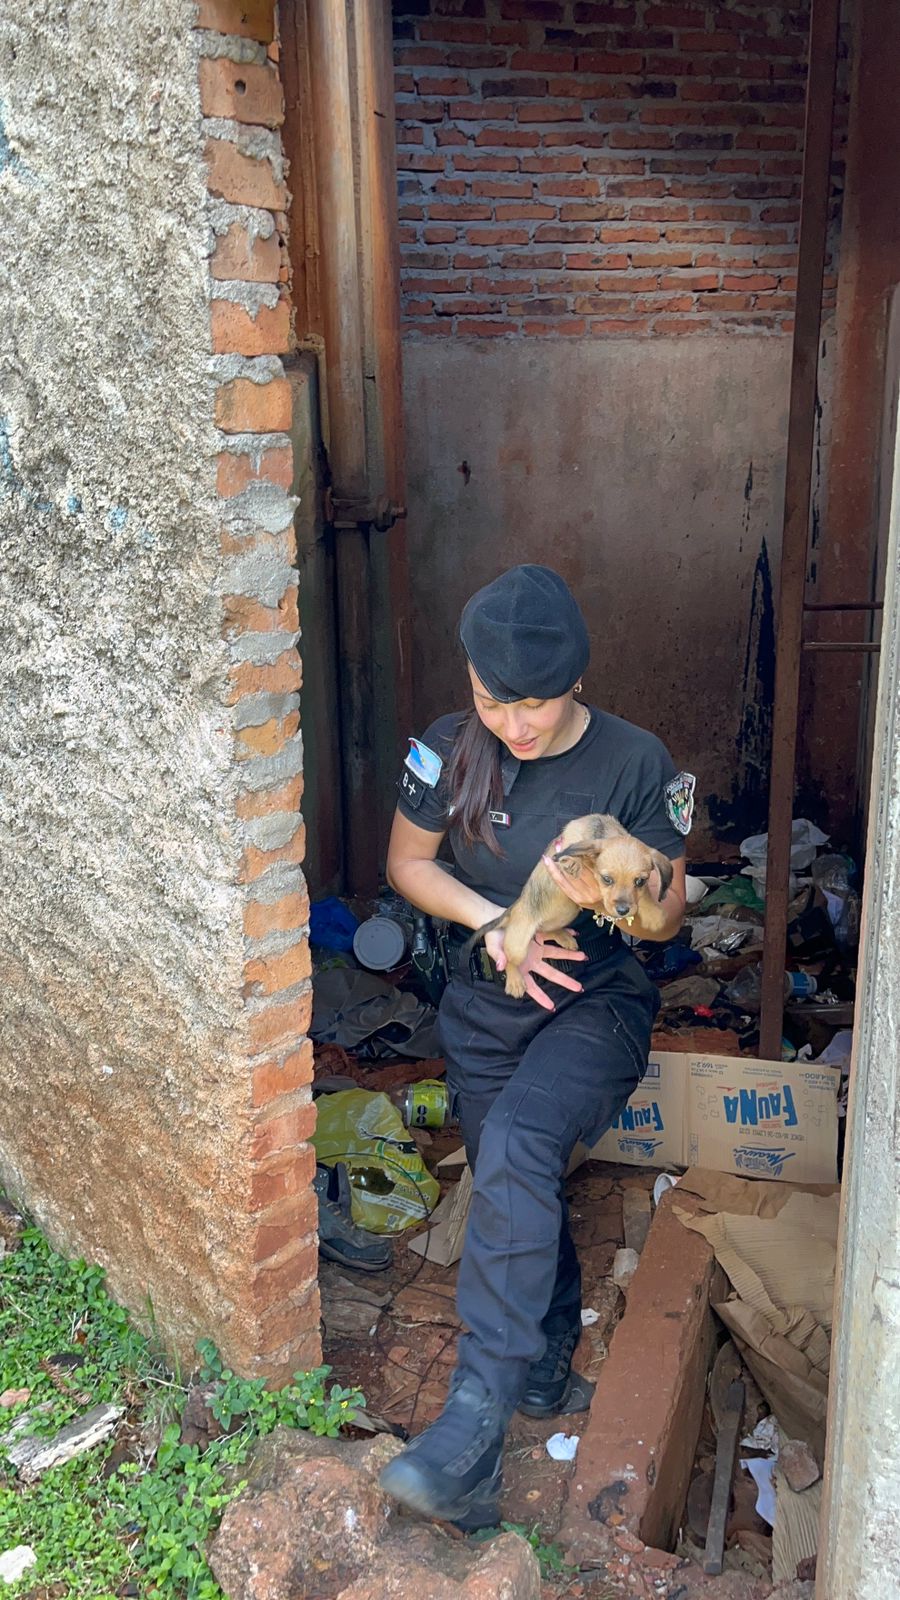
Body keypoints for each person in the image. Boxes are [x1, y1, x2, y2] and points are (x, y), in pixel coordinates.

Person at [379, 565, 693, 1530]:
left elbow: (672, 915)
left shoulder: (640, 765)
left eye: (539, 703)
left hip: (595, 1005)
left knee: (515, 1144)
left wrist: (615, 879)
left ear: (579, 680)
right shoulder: (446, 751)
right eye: (494, 700)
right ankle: (553, 1333)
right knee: (515, 1170)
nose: (517, 725)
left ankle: (471, 1428)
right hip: (484, 1004)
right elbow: (406, 864)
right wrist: (497, 924)